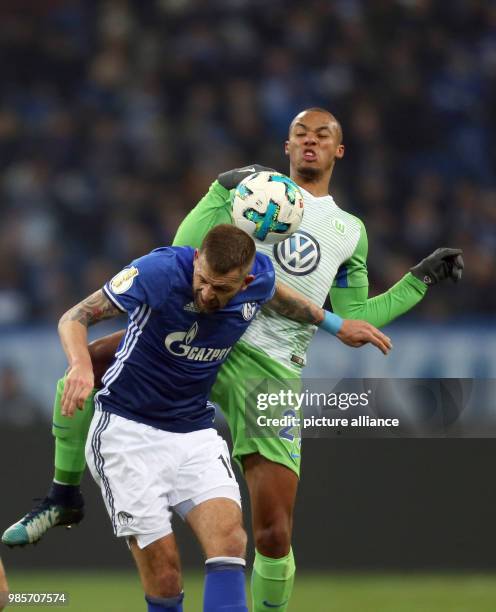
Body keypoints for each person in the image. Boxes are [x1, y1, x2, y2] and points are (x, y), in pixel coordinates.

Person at [2, 108, 461, 611]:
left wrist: (418, 281)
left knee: (272, 532)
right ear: (286, 146)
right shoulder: (251, 194)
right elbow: (181, 257)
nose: (310, 142)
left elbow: (354, 317)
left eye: (322, 135)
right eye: (300, 134)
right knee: (83, 366)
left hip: (270, 368)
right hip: (204, 328)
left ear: (339, 150)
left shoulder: (349, 230)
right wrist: (219, 191)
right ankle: (62, 496)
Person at [58, 224, 390, 612]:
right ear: (197, 258)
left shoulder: (259, 278)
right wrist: (81, 366)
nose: (206, 294)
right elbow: (75, 316)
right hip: (127, 430)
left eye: (221, 288)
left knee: (230, 541)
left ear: (245, 279)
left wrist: (336, 325)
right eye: (203, 280)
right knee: (165, 577)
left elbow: (283, 298)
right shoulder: (159, 272)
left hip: (194, 432)